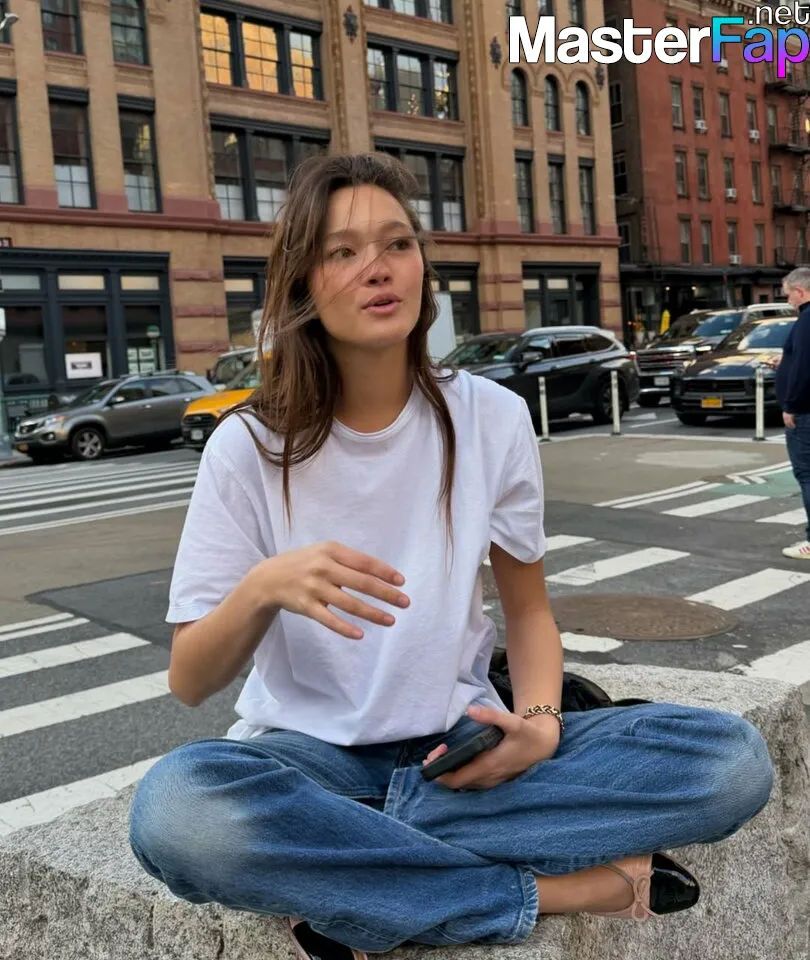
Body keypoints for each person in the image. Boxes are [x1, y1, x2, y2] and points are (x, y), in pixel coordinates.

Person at [128, 153, 774, 957]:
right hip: (308, 761)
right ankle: (552, 891)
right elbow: (190, 680)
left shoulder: (491, 417)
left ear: (423, 266)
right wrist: (263, 587)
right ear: (301, 285)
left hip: (466, 745)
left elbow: (528, 611)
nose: (378, 268)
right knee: (178, 812)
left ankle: (351, 878)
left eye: (397, 244)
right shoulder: (248, 447)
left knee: (730, 763)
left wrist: (539, 726)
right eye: (342, 252)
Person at [777, 268, 810, 560]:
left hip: (806, 412)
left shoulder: (805, 321)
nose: (788, 301)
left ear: (800, 291)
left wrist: (791, 406)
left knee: (807, 474)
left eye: (788, 295)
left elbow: (803, 367)